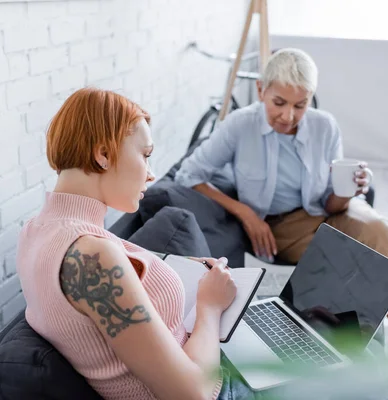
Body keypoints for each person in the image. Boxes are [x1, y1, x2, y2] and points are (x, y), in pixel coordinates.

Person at [174, 48, 388, 357]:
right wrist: (244, 212)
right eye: (279, 103)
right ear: (261, 90)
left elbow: (332, 205)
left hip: (328, 212)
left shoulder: (324, 126)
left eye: (300, 105)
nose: (288, 116)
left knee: (380, 230)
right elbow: (189, 174)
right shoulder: (239, 125)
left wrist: (351, 189)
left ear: (311, 97)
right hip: (282, 226)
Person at [17, 87, 255, 399]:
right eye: (145, 155)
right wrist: (209, 306)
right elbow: (191, 395)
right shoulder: (93, 259)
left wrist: (165, 265)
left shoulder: (37, 231)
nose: (151, 174)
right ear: (103, 154)